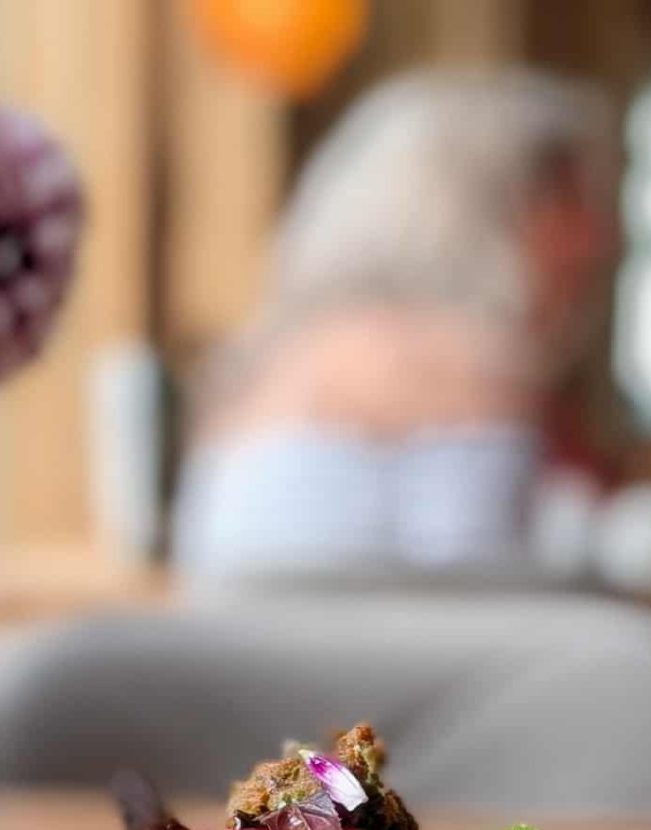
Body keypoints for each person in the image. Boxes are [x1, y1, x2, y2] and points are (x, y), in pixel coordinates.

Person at [171, 68, 611, 583]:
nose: (595, 238)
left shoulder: (276, 361)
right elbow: (486, 600)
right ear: (471, 206)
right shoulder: (465, 372)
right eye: (564, 201)